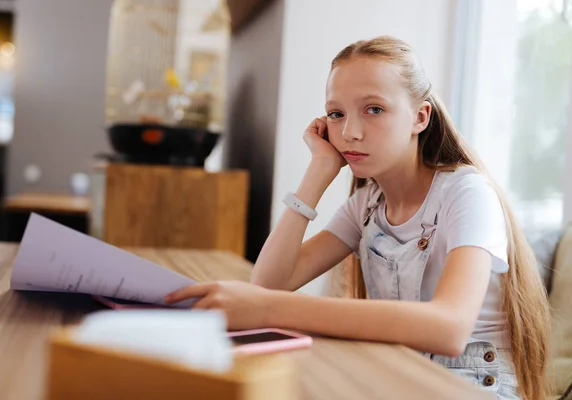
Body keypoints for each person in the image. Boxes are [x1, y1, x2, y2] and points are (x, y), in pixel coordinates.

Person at [165, 36, 551, 400]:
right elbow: (270, 283)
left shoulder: (467, 193)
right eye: (336, 114)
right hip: (404, 378)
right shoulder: (366, 206)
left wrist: (268, 309)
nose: (349, 132)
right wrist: (318, 171)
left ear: (420, 117)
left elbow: (448, 328)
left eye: (374, 110)